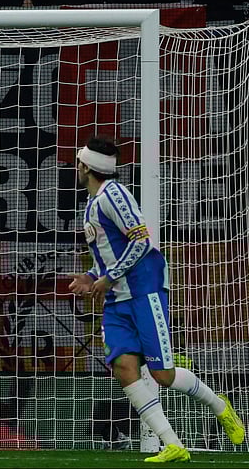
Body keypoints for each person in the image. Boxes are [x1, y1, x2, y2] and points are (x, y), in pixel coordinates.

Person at [68, 135, 244, 463]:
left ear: (88, 167)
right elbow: (108, 255)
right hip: (117, 301)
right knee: (122, 366)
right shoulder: (91, 204)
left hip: (143, 292)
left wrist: (108, 276)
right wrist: (92, 276)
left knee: (162, 375)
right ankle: (172, 443)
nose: (76, 167)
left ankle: (220, 406)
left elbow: (141, 241)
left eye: (79, 162)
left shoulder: (114, 195)